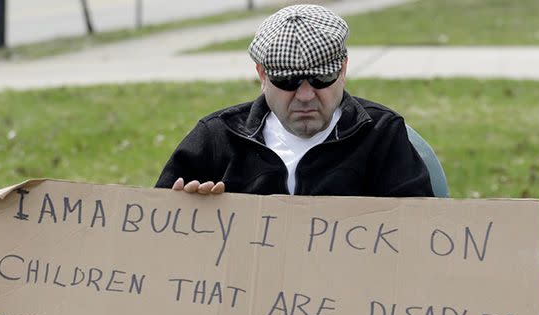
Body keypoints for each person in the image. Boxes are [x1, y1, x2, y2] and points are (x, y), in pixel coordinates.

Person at [155, 4, 433, 198]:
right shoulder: (216, 139)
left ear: (343, 70)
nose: (305, 95)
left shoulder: (381, 135)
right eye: (287, 82)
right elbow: (158, 237)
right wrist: (185, 208)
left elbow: (416, 233)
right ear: (262, 75)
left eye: (321, 78)